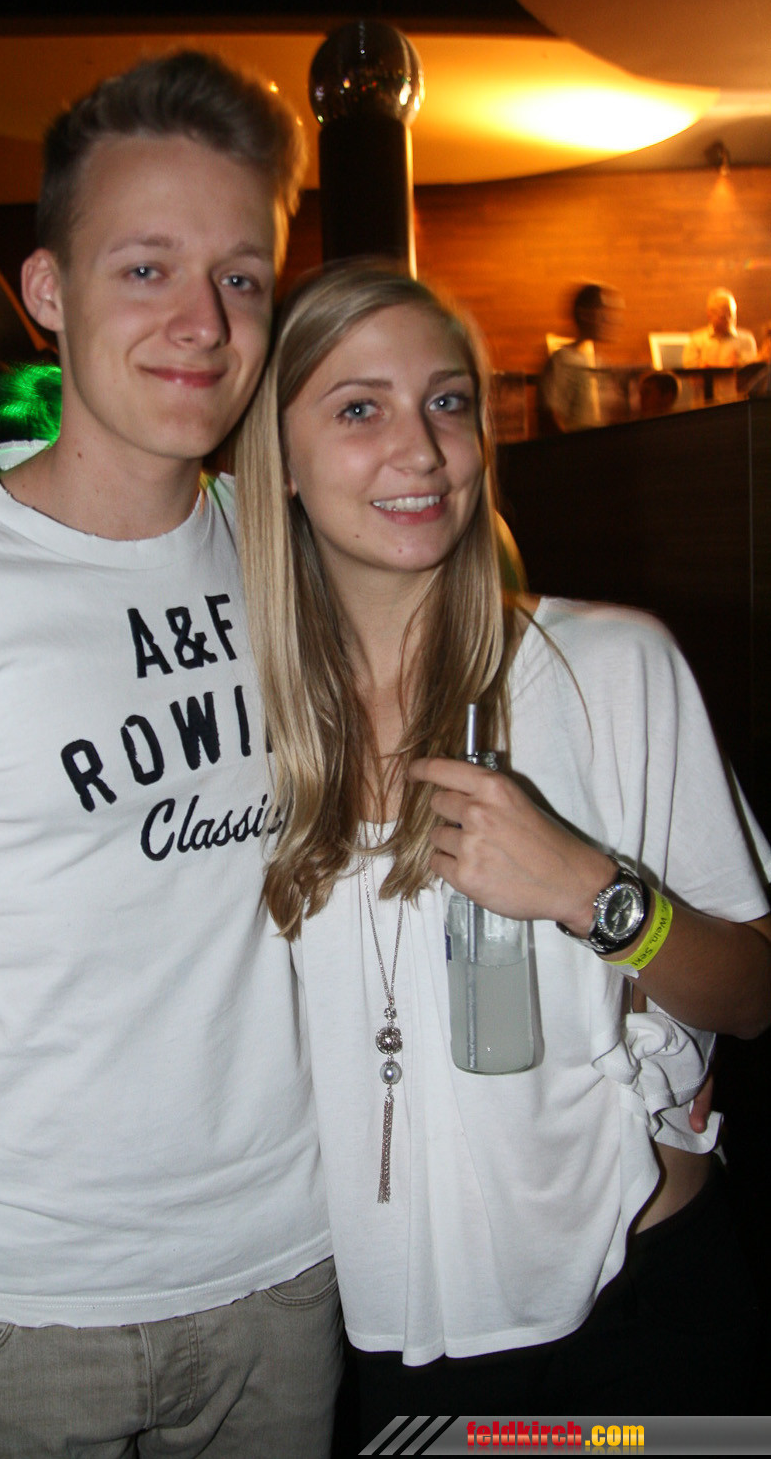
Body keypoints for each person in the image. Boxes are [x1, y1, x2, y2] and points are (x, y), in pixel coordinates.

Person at [0, 52, 340, 1459]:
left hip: (292, 1265)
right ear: (46, 291)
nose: (200, 324)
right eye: (143, 269)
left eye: (237, 277)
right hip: (34, 1314)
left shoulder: (287, 557)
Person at [235, 262, 771, 1428]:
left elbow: (750, 993)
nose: (421, 450)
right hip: (391, 1336)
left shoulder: (606, 666)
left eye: (447, 402)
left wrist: (591, 891)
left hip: (641, 1308)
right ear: (276, 461)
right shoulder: (243, 735)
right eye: (359, 408)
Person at [538, 282, 624, 432]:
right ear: (585, 315)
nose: (610, 319)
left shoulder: (600, 363)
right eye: (604, 312)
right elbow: (550, 415)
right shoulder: (562, 361)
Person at [682, 287, 757, 368]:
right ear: (710, 315)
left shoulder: (746, 341)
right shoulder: (696, 341)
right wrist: (703, 367)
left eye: (731, 315)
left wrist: (737, 364)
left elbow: (751, 371)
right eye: (723, 317)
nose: (729, 320)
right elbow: (689, 368)